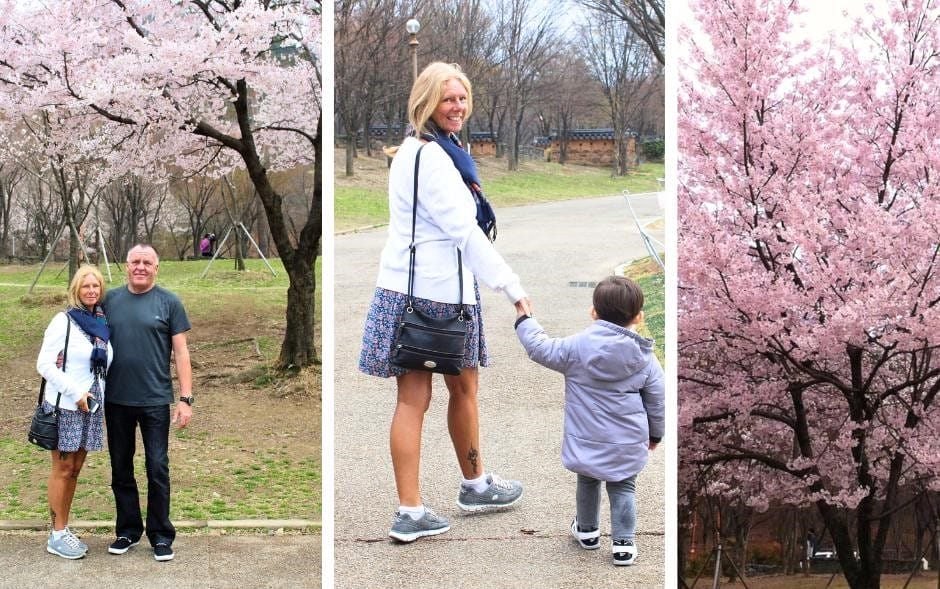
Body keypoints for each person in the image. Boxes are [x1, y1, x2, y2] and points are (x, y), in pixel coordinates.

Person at [359, 62, 532, 543]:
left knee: (456, 390)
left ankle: (474, 485)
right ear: (426, 102)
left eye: (462, 97)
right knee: (419, 399)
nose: (457, 106)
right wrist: (511, 287)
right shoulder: (432, 157)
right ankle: (411, 511)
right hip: (432, 296)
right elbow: (464, 232)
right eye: (447, 98)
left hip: (422, 289)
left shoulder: (427, 150)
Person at [514, 276, 665, 566]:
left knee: (587, 480)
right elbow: (657, 400)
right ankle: (623, 545)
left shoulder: (576, 347)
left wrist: (525, 320)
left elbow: (540, 348)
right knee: (623, 487)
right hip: (626, 442)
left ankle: (587, 531)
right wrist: (656, 434)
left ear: (593, 312)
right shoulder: (645, 358)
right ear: (639, 317)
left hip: (586, 437)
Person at [103, 244, 193, 562]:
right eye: (135, 262)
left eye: (147, 262)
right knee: (121, 468)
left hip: (155, 400)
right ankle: (127, 530)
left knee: (157, 467)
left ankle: (161, 535)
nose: (140, 267)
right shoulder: (108, 300)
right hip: (116, 399)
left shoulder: (169, 302)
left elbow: (181, 352)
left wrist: (185, 398)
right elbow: (86, 335)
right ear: (126, 266)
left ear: (156, 268)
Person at [36, 265, 113, 559]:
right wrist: (76, 392)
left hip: (91, 408)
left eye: (95, 286)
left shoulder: (102, 322)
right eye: (85, 286)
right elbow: (44, 364)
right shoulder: (63, 321)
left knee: (76, 469)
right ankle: (56, 535)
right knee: (63, 469)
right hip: (67, 406)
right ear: (76, 290)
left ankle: (63, 528)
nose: (91, 291)